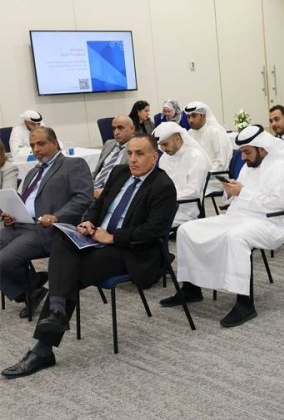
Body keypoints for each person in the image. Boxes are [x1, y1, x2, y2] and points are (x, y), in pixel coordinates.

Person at [2, 135, 176, 378]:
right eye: (130, 153)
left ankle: (43, 349)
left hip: (128, 250)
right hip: (96, 237)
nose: (133, 159)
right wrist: (89, 222)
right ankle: (57, 310)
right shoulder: (120, 173)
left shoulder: (163, 186)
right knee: (62, 237)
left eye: (140, 154)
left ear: (154, 157)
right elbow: (98, 205)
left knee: (69, 275)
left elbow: (154, 231)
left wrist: (112, 237)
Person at [165, 124, 284, 328]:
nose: (243, 158)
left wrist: (242, 192)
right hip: (238, 216)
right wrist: (229, 191)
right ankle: (191, 288)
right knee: (186, 230)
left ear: (262, 149)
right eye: (242, 152)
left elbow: (279, 203)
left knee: (235, 237)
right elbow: (235, 199)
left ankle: (245, 303)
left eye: (247, 152)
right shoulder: (250, 164)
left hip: (270, 222)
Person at [0, 127, 92, 315]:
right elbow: (25, 200)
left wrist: (57, 216)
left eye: (40, 144)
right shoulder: (33, 171)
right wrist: (12, 214)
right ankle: (32, 288)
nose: (36, 149)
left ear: (55, 143)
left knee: (3, 261)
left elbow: (84, 198)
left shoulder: (73, 165)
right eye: (32, 145)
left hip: (46, 229)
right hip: (20, 224)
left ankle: (30, 287)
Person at [153, 122, 211, 226]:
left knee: (151, 225)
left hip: (186, 209)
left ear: (178, 138)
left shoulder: (195, 157)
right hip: (165, 205)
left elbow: (194, 191)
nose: (163, 149)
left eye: (165, 144)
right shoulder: (164, 158)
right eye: (160, 145)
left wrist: (166, 198)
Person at [184, 101, 232, 175]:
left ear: (203, 116)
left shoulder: (215, 133)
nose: (190, 120)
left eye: (194, 116)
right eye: (188, 117)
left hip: (214, 177)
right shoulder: (189, 134)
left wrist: (202, 175)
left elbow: (221, 163)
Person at [93, 116, 135, 198]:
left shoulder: (136, 148)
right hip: (93, 187)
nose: (116, 132)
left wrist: (105, 192)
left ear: (132, 129)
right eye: (113, 129)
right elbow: (99, 171)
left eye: (120, 128)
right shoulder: (109, 143)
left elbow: (131, 180)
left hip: (112, 193)